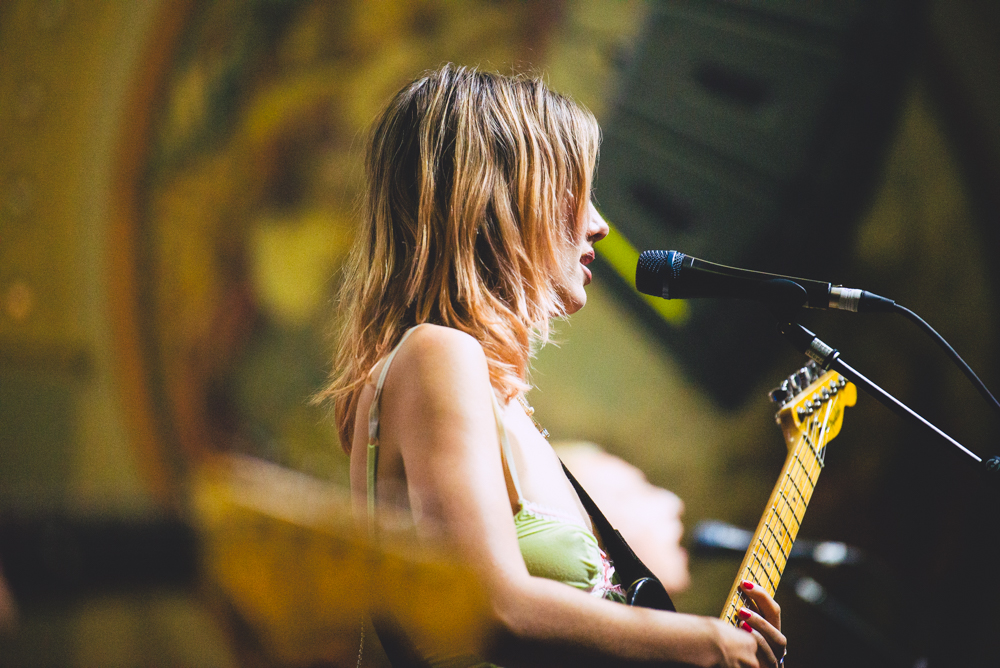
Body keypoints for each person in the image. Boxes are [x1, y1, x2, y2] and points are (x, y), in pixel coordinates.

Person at [318, 64, 785, 667]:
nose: (600, 223)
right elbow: (490, 606)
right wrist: (705, 641)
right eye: (578, 192)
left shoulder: (490, 391)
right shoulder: (438, 352)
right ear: (506, 197)